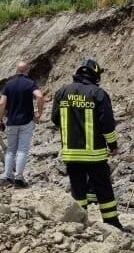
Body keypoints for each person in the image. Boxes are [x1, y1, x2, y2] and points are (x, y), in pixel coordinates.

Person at [51, 58, 123, 229]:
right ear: (96, 76)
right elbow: (107, 124)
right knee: (103, 189)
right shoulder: (98, 93)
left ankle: (79, 223)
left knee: (78, 190)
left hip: (71, 152)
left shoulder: (62, 92)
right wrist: (113, 145)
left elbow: (55, 118)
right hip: (95, 155)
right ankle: (112, 224)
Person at [0, 61, 44, 188]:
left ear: (16, 70)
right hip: (26, 121)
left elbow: (1, 104)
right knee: (22, 150)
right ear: (27, 71)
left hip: (11, 121)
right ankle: (18, 177)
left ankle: (7, 176)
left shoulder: (9, 84)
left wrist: (0, 119)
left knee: (11, 150)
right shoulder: (30, 83)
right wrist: (39, 113)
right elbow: (39, 96)